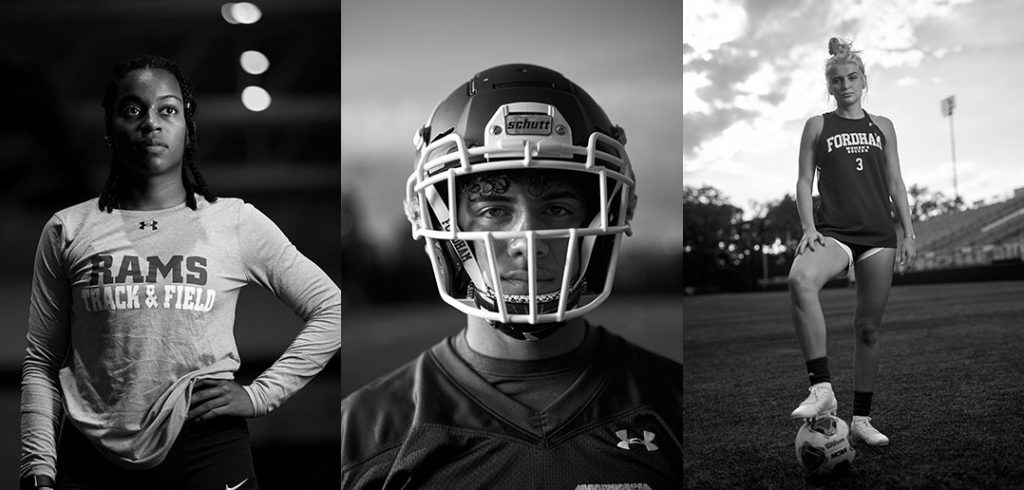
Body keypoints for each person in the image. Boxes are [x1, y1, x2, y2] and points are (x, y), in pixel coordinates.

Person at [339, 64, 683, 489]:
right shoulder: (365, 429)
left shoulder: (675, 403)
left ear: (607, 215)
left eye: (556, 209)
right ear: (438, 219)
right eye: (495, 210)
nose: (527, 241)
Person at [19, 55, 341, 490]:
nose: (151, 123)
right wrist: (38, 465)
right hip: (91, 456)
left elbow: (332, 308)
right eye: (132, 110)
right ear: (110, 129)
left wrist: (260, 395)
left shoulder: (235, 221)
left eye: (167, 109)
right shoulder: (68, 228)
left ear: (187, 126)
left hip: (205, 447)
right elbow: (41, 362)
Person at [788, 38, 916, 447]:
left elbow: (896, 182)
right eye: (836, 79)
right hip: (835, 232)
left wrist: (908, 233)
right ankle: (821, 387)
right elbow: (805, 181)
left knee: (868, 330)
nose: (845, 85)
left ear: (864, 80)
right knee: (800, 280)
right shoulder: (818, 125)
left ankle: (861, 419)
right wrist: (809, 227)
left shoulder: (883, 126)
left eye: (852, 77)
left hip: (879, 235)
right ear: (829, 85)